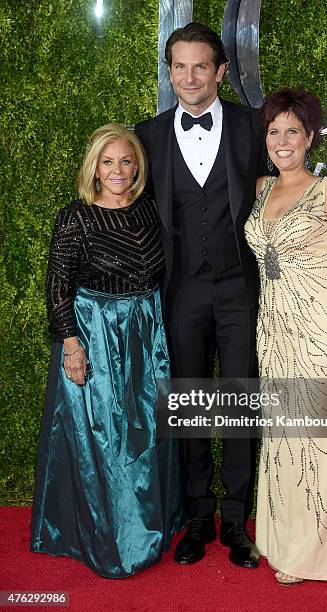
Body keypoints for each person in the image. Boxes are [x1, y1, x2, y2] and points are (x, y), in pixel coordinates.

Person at [135, 22, 267, 568]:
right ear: (170, 72)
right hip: (180, 289)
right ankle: (196, 516)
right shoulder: (147, 135)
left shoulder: (253, 126)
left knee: (238, 403)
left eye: (200, 66)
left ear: (221, 71)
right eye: (179, 66)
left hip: (240, 288)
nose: (189, 77)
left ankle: (235, 519)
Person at [30, 124, 185, 578]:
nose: (118, 170)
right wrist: (71, 345)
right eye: (108, 162)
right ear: (94, 168)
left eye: (126, 161)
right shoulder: (76, 217)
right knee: (103, 438)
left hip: (144, 336)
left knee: (148, 431)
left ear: (138, 167)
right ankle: (107, 536)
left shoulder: (148, 211)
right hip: (95, 337)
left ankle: (150, 526)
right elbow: (57, 285)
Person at [245, 88, 327, 584]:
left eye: (291, 132)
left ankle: (316, 552)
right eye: (274, 131)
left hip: (326, 329)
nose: (282, 141)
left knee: (318, 440)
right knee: (285, 437)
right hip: (274, 332)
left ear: (310, 138)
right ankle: (286, 539)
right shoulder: (260, 189)